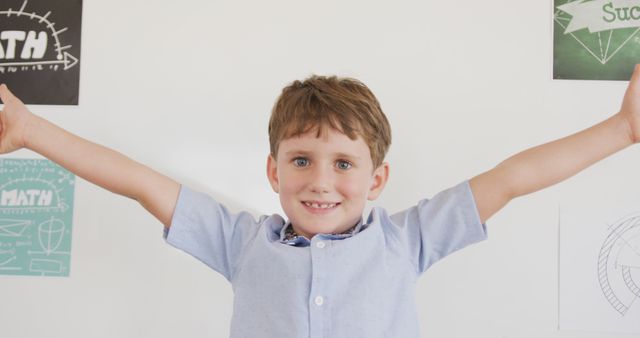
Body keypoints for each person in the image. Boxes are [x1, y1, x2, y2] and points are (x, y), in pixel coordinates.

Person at [0, 67, 638, 338]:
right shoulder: (241, 242)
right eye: (302, 161)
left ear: (378, 179)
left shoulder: (406, 239)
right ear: (273, 171)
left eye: (343, 164)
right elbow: (138, 180)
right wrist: (30, 130)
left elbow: (512, 177)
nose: (321, 182)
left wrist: (621, 130)